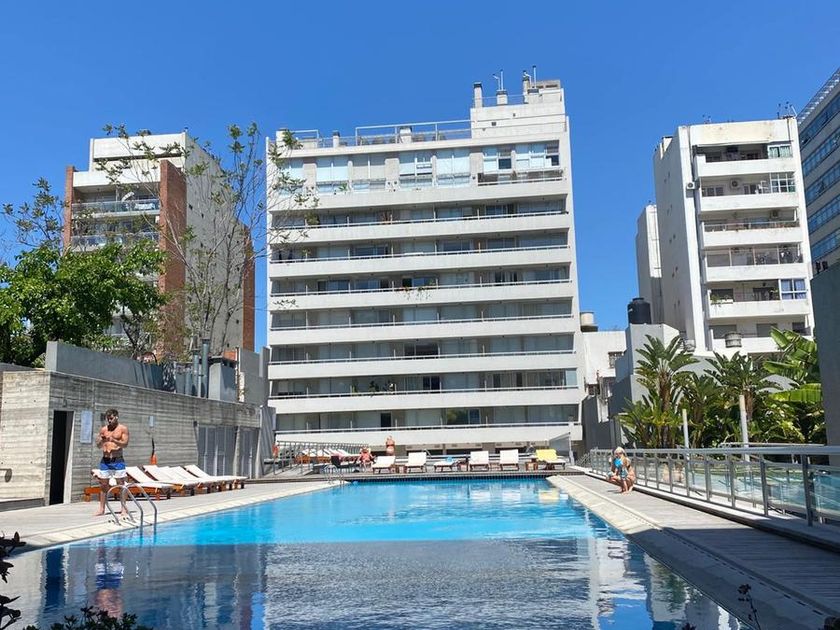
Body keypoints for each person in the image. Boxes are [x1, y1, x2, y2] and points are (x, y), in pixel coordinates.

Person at [94, 408, 130, 517]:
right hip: (105, 460)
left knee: (121, 484)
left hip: (117, 459)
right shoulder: (104, 429)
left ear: (116, 417)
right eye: (108, 419)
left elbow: (125, 444)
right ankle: (101, 509)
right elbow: (98, 446)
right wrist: (102, 440)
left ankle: (123, 508)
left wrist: (113, 440)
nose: (109, 421)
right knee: (103, 485)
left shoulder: (123, 429)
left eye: (111, 418)